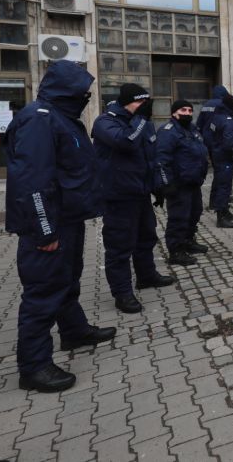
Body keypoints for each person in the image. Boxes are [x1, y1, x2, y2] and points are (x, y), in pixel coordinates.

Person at [5, 60, 116, 392]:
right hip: (48, 227)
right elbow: (32, 183)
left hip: (68, 220)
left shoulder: (63, 119)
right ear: (65, 89)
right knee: (42, 294)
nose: (87, 95)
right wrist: (44, 231)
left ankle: (73, 331)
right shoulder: (39, 121)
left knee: (67, 282)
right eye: (82, 90)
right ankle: (34, 366)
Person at [92, 84, 175, 314]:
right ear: (125, 102)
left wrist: (157, 186)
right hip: (118, 195)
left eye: (145, 103)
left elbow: (152, 156)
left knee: (146, 237)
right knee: (119, 246)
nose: (143, 108)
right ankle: (122, 293)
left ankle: (146, 276)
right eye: (139, 103)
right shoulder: (105, 122)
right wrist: (139, 119)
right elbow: (125, 142)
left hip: (140, 193)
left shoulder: (144, 124)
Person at [155, 100, 210, 267]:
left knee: (194, 213)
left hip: (193, 182)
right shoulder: (168, 132)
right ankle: (176, 251)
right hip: (178, 184)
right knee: (179, 218)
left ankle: (188, 241)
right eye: (183, 110)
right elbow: (161, 160)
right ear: (174, 113)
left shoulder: (193, 130)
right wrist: (166, 184)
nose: (187, 113)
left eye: (189, 110)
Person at [203, 93, 233, 229]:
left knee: (220, 184)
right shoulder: (228, 119)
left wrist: (214, 148)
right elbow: (229, 141)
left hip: (217, 155)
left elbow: (208, 135)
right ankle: (221, 217)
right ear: (231, 106)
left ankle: (225, 211)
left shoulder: (215, 117)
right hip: (225, 157)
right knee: (224, 187)